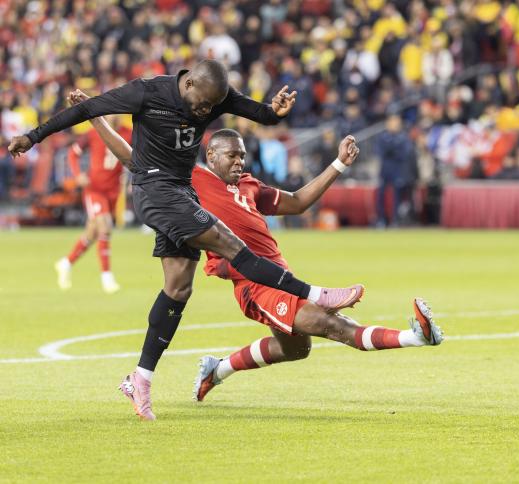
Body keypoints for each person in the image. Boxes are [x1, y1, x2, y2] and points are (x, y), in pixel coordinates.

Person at [10, 61, 364, 421]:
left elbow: (260, 113)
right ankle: (316, 294)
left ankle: (140, 380)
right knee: (229, 241)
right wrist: (32, 136)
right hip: (154, 190)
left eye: (212, 106)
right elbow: (87, 108)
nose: (205, 112)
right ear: (188, 82)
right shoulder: (147, 92)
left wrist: (274, 111)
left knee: (178, 288)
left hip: (182, 194)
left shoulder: (214, 95)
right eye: (201, 104)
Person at [83, 119, 444, 404]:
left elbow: (299, 202)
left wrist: (338, 164)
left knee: (296, 349)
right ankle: (416, 336)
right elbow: (135, 158)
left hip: (281, 277)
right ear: (211, 157)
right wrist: (99, 121)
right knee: (331, 324)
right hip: (255, 287)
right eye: (231, 156)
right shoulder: (193, 181)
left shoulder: (251, 187)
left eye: (242, 156)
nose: (239, 162)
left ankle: (217, 370)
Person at [54, 116, 131, 293]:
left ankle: (66, 263)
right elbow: (73, 153)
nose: (115, 115)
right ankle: (107, 277)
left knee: (93, 232)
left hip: (113, 192)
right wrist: (77, 174)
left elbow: (139, 155)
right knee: (105, 227)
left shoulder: (129, 133)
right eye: (112, 111)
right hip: (94, 190)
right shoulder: (93, 132)